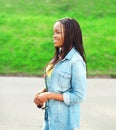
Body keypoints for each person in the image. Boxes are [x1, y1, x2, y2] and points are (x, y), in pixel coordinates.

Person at [34, 17, 87, 130]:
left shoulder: (76, 61)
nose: (54, 36)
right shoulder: (59, 56)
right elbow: (59, 84)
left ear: (70, 35)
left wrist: (49, 95)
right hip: (50, 119)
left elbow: (79, 96)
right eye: (54, 32)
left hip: (65, 123)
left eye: (58, 32)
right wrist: (43, 92)